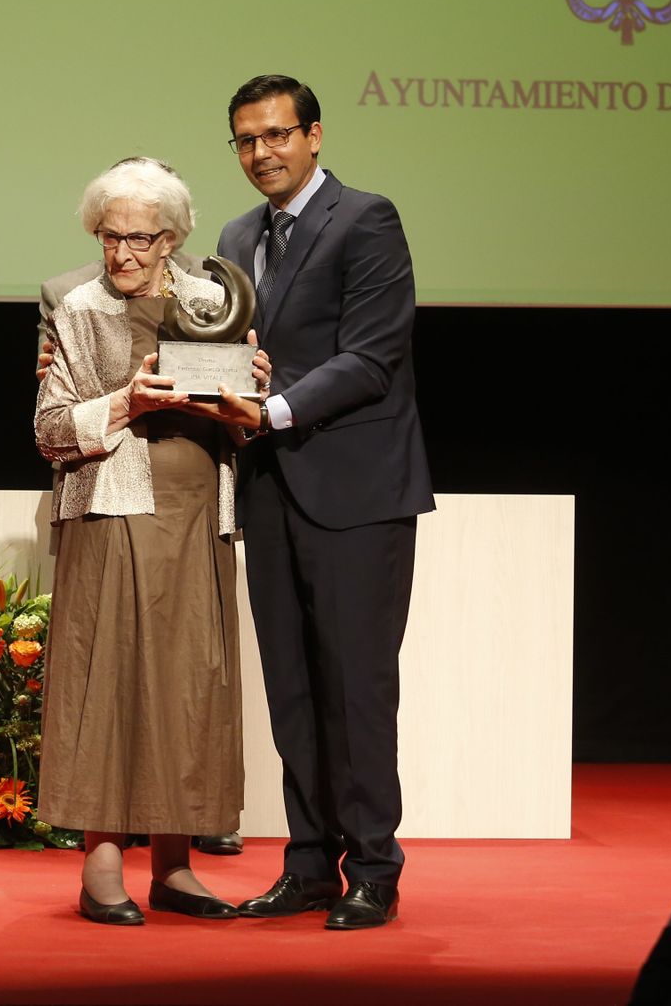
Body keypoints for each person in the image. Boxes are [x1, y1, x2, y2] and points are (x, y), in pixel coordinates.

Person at [216, 75, 433, 930]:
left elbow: (374, 356)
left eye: (275, 135)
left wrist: (269, 408)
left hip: (356, 490)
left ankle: (374, 866)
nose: (261, 153)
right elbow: (233, 347)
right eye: (245, 140)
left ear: (313, 135)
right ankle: (309, 863)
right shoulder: (237, 233)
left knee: (357, 688)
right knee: (293, 688)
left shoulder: (367, 219)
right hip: (268, 486)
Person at [34, 159, 266, 925]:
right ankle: (103, 864)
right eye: (109, 237)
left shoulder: (213, 303)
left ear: (172, 240)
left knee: (188, 684)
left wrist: (252, 393)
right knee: (112, 682)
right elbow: (49, 430)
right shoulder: (77, 308)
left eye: (140, 239)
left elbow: (244, 420)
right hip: (113, 510)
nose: (122, 254)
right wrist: (124, 402)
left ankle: (174, 868)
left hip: (199, 512)